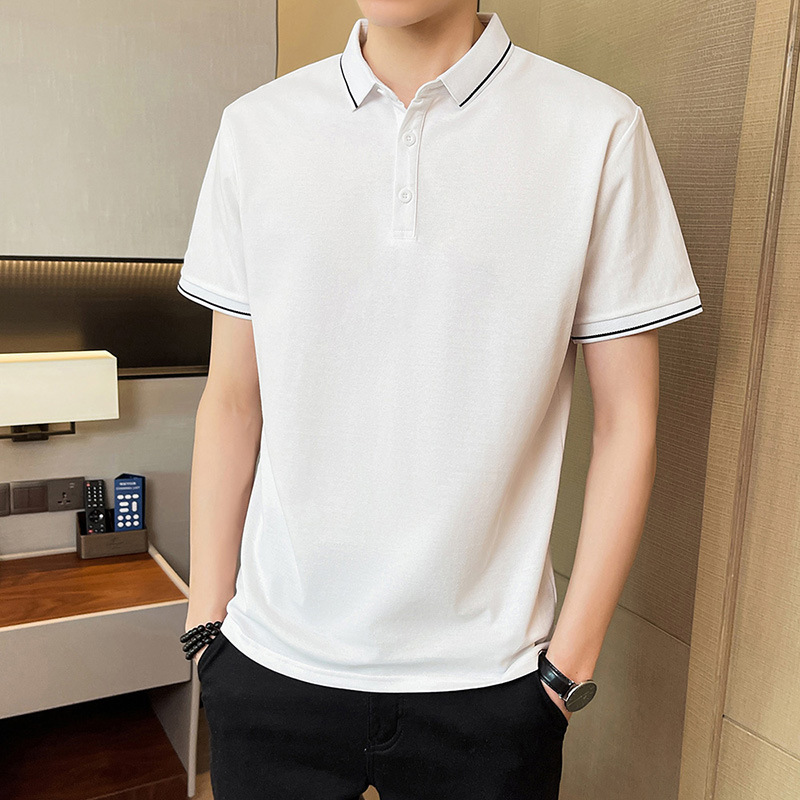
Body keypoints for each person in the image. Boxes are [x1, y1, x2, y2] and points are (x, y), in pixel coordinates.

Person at [178, 1, 704, 798]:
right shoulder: (256, 130)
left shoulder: (597, 130)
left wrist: (567, 671)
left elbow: (628, 424)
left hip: (493, 688)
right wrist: (205, 623)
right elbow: (232, 401)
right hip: (269, 663)